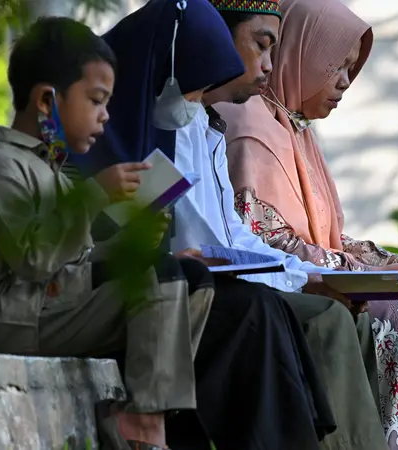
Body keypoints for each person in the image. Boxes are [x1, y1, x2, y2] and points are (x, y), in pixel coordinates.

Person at [215, 0, 398, 449]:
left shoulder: (292, 127)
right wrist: (379, 279)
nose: (345, 82)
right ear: (298, 52)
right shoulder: (248, 126)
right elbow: (267, 242)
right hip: (283, 291)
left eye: (351, 69)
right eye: (335, 66)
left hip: (322, 282)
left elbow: (323, 238)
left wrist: (396, 263)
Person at [64, 1, 336, 449]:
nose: (195, 104)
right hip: (106, 302)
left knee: (259, 309)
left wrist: (307, 275)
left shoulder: (181, 127)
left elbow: (218, 233)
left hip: (163, 293)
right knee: (253, 310)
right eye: (192, 90)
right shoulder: (95, 130)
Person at [168, 1, 390, 449]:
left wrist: (316, 276)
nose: (269, 65)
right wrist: (311, 278)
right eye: (262, 46)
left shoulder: (210, 124)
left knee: (355, 314)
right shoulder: (197, 124)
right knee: (329, 316)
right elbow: (209, 243)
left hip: (234, 282)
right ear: (215, 39)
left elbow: (235, 232)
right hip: (193, 294)